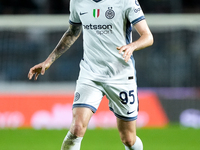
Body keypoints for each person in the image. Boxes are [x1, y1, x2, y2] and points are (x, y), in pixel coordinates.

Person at [28, 0, 153, 149]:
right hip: (90, 73)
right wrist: (49, 60)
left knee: (128, 139)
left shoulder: (126, 1)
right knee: (77, 128)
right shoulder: (77, 2)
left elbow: (148, 36)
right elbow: (72, 31)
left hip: (121, 75)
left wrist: (132, 46)